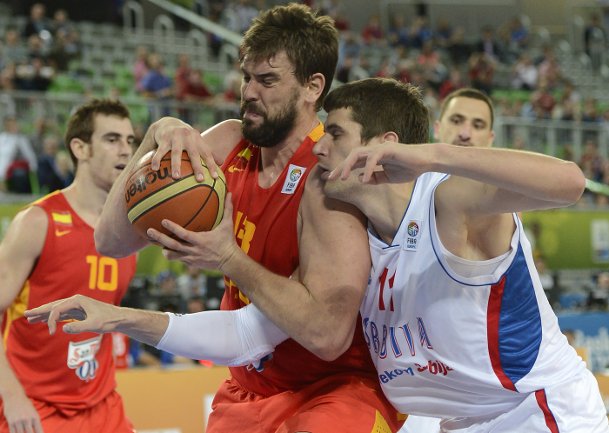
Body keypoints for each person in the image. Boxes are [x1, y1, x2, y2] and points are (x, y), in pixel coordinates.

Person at [27, 5, 403, 433]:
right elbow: (110, 241)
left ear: (312, 87)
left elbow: (327, 336)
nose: (249, 92)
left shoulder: (326, 176)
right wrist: (154, 137)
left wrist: (228, 257)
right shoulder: (226, 144)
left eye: (267, 80)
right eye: (246, 76)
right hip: (247, 384)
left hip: (333, 389)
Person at [312, 77, 607, 432]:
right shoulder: (353, 233)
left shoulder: (449, 201)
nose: (319, 147)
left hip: (534, 412)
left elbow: (570, 182)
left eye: (335, 133)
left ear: (385, 145)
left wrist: (432, 154)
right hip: (459, 421)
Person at [0, 99, 137, 433]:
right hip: (33, 406)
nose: (125, 150)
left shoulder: (130, 230)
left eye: (130, 140)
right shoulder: (37, 221)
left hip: (103, 405)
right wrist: (13, 396)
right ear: (80, 147)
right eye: (112, 139)